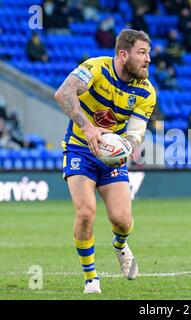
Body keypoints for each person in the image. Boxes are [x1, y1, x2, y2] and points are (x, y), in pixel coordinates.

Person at [54, 29, 156, 294]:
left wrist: (124, 148)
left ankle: (120, 245)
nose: (148, 59)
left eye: (149, 53)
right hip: (80, 149)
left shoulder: (146, 92)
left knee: (122, 220)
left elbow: (135, 133)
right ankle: (91, 278)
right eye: (142, 53)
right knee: (86, 211)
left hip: (111, 158)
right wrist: (88, 128)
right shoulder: (95, 69)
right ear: (123, 54)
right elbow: (63, 93)